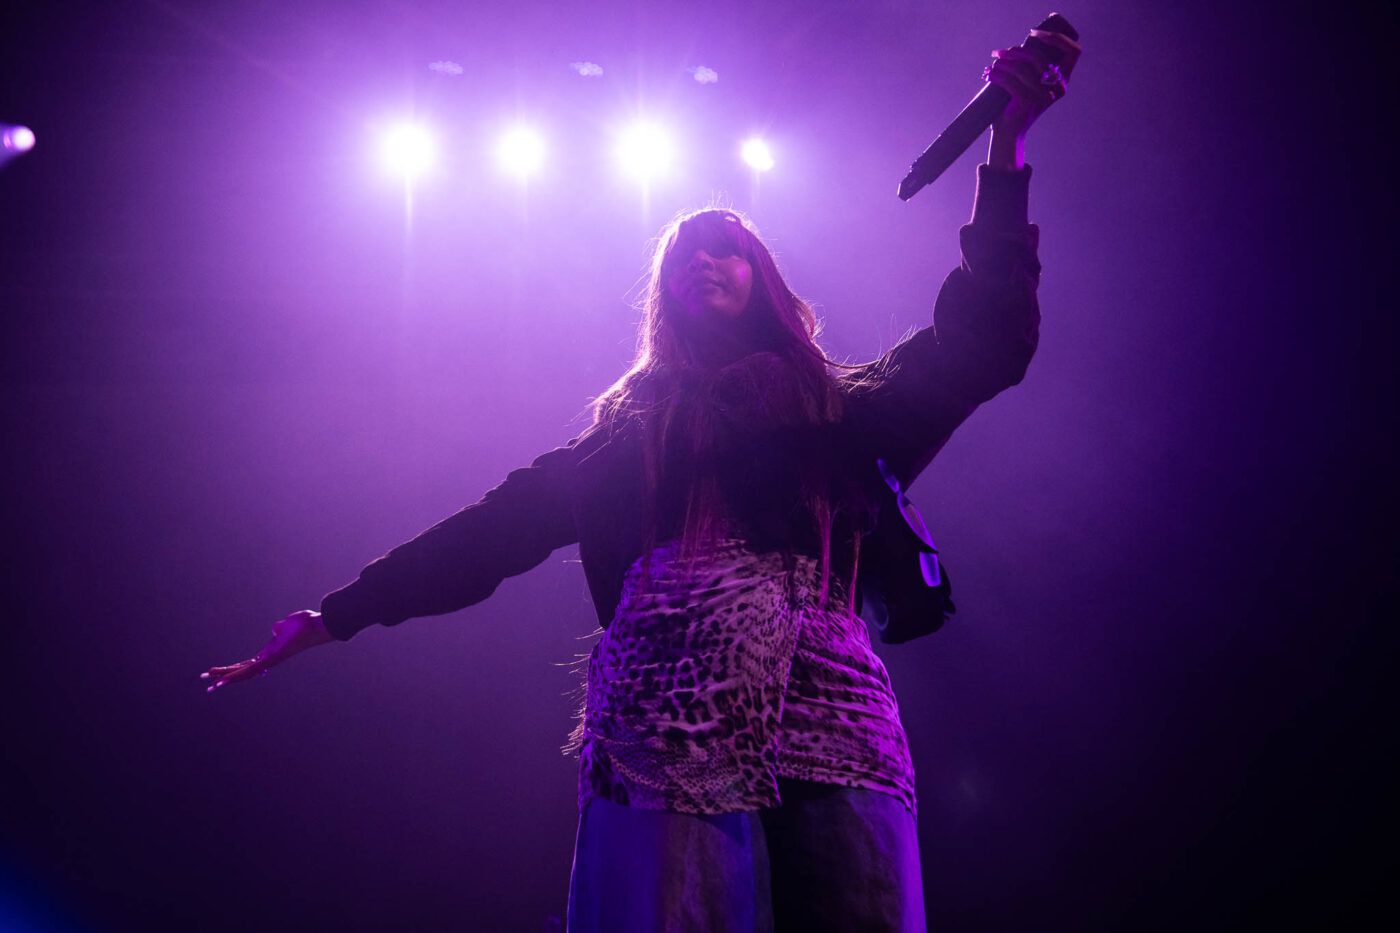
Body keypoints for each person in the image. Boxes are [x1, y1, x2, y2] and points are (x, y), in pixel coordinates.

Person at [202, 34, 1078, 933]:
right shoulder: (623, 439)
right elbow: (488, 532)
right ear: (663, 301)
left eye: (725, 249)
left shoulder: (839, 414)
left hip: (833, 709)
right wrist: (334, 614)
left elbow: (983, 338)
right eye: (683, 259)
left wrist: (1005, 148)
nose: (703, 262)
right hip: (668, 707)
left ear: (763, 280)